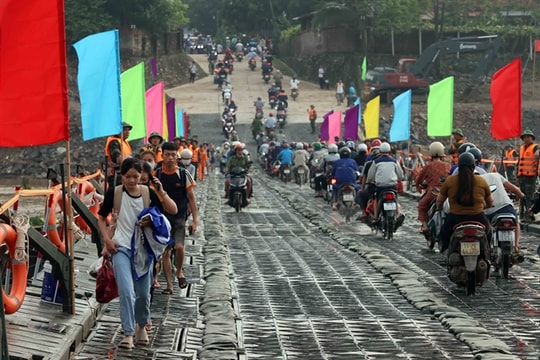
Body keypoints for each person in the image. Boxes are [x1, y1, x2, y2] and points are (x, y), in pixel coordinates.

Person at [97, 157, 178, 349]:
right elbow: (101, 218)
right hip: (120, 247)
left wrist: (161, 192)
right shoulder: (115, 193)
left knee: (142, 293)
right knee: (126, 291)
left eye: (136, 176)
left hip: (143, 250)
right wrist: (107, 240)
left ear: (142, 175)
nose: (132, 181)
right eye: (128, 177)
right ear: (122, 176)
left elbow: (171, 210)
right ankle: (128, 332)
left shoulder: (148, 193)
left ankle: (142, 324)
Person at [156, 142, 199, 295]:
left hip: (180, 216)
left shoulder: (183, 174)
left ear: (177, 157)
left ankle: (179, 271)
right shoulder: (157, 174)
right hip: (162, 218)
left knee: (179, 247)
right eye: (167, 154)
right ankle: (169, 285)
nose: (170, 158)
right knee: (166, 252)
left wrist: (195, 220)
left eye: (173, 155)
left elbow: (191, 198)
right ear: (162, 155)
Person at [436, 152, 493, 255]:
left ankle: (449, 254)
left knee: (444, 235)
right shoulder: (481, 181)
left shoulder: (450, 181)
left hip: (455, 218)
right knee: (489, 232)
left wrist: (439, 208)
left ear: (459, 166)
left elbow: (440, 200)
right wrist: (484, 206)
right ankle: (487, 253)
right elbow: (490, 202)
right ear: (474, 166)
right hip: (478, 217)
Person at [481, 172, 524, 252]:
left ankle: (488, 247)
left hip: (489, 211)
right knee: (516, 223)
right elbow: (515, 189)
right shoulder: (496, 175)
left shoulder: (476, 180)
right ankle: (516, 246)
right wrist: (520, 195)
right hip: (506, 207)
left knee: (486, 229)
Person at [415, 142, 451, 233]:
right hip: (446, 193)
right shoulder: (447, 165)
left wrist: (418, 186)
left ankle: (425, 226)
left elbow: (419, 179)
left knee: (421, 206)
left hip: (432, 192)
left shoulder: (428, 166)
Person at [366, 142, 405, 225]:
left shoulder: (376, 162)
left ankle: (376, 217)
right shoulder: (394, 161)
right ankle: (398, 214)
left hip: (380, 186)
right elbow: (400, 175)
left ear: (380, 151)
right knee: (396, 199)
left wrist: (370, 180)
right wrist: (399, 179)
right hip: (392, 186)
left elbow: (370, 175)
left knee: (376, 199)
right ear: (389, 151)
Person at [517, 129, 539, 221]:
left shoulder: (535, 147)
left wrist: (538, 153)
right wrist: (517, 175)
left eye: (528, 137)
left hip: (531, 176)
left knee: (529, 196)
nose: (526, 139)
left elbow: (538, 150)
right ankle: (522, 215)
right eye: (524, 137)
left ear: (532, 138)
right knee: (522, 196)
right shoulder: (522, 148)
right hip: (522, 176)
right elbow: (519, 162)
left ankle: (530, 215)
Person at [105, 122, 133, 189]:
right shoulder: (114, 142)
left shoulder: (124, 142)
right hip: (116, 175)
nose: (128, 132)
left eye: (128, 130)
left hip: (126, 173)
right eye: (125, 130)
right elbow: (118, 159)